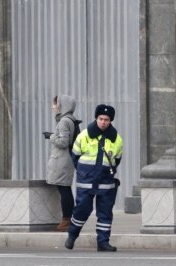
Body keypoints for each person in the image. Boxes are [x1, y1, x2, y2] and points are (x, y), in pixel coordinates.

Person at [65, 104, 123, 252]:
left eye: (106, 119)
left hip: (106, 182)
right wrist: (84, 172)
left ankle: (103, 243)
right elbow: (75, 157)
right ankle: (72, 235)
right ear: (96, 118)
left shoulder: (117, 139)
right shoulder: (84, 135)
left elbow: (117, 160)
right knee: (81, 210)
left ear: (111, 121)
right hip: (86, 181)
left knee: (105, 213)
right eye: (101, 118)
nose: (103, 122)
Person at [45, 94, 82, 232]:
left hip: (61, 160)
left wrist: (51, 136)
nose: (53, 107)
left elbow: (63, 142)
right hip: (66, 159)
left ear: (62, 105)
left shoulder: (64, 121)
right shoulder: (70, 120)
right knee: (65, 189)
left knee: (64, 189)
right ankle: (69, 219)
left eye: (55, 104)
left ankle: (66, 220)